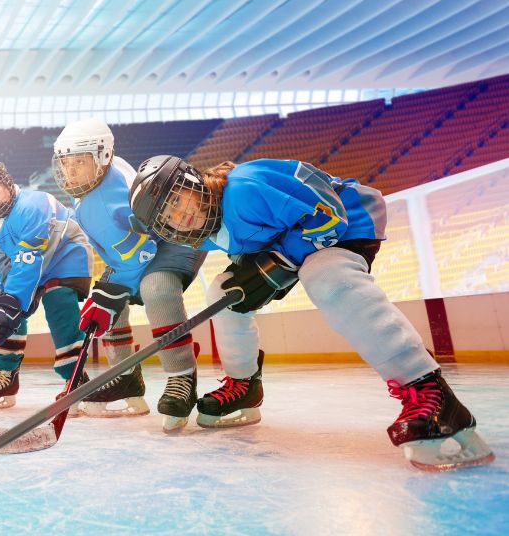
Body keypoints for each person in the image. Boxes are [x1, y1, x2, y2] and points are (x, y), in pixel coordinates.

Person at [128, 155, 494, 470]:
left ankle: (430, 392)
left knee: (326, 276)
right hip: (295, 241)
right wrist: (256, 267)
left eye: (178, 200)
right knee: (223, 294)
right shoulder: (205, 229)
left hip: (349, 224)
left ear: (194, 182)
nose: (181, 215)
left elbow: (329, 214)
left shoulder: (245, 187)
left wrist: (279, 261)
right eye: (168, 218)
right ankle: (243, 386)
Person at [52, 118, 208, 431]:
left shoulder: (99, 204)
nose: (70, 173)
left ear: (102, 156)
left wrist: (112, 291)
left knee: (156, 286)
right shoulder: (106, 174)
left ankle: (181, 375)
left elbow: (141, 256)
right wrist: (109, 292)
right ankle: (126, 378)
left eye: (79, 163)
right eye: (66, 164)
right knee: (107, 303)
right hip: (150, 243)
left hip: (178, 238)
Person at [0, 157, 94, 410]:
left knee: (58, 304)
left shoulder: (33, 204)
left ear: (7, 183)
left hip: (64, 257)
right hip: (29, 266)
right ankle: (7, 376)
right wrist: (8, 298)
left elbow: (29, 257)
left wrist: (14, 296)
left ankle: (75, 378)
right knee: (7, 312)